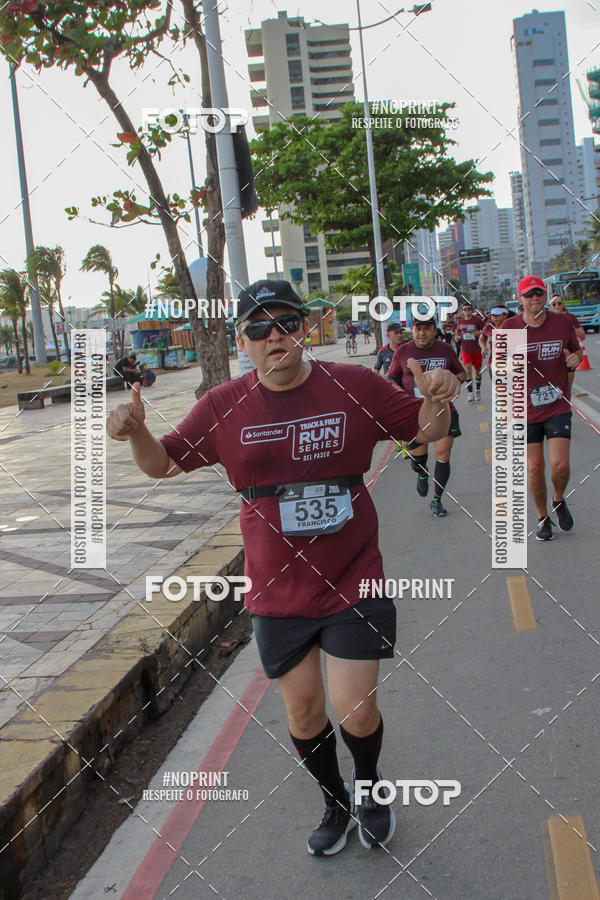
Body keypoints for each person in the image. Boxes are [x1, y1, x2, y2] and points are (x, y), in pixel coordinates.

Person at [107, 279, 460, 856]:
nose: (275, 336)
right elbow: (161, 465)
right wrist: (137, 431)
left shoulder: (354, 385)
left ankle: (369, 788)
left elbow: (425, 430)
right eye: (258, 327)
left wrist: (438, 399)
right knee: (302, 711)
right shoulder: (224, 405)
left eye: (287, 323)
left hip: (354, 575)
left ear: (306, 329)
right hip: (276, 590)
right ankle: (335, 800)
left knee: (357, 706)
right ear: (241, 342)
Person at [502, 276, 582, 542]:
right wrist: (511, 365)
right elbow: (498, 371)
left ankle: (558, 499)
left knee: (559, 465)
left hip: (557, 403)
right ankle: (542, 517)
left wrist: (575, 358)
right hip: (524, 409)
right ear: (520, 299)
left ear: (545, 296)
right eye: (528, 295)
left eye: (539, 294)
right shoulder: (510, 327)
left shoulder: (561, 322)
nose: (534, 299)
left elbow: (576, 351)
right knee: (534, 468)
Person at [387, 318, 466, 516]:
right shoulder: (403, 352)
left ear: (434, 330)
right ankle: (422, 473)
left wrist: (452, 382)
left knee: (442, 456)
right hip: (416, 414)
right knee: (418, 459)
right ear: (413, 331)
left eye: (426, 329)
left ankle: (437, 500)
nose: (421, 333)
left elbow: (462, 373)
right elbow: (390, 377)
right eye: (417, 329)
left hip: (443, 411)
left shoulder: (446, 349)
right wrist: (401, 396)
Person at [549, 295, 585, 392]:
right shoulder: (547, 319)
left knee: (567, 388)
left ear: (563, 304)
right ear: (550, 306)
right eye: (554, 304)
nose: (557, 306)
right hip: (552, 357)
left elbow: (582, 335)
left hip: (568, 356)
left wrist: (570, 327)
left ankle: (565, 403)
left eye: (559, 303)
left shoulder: (570, 317)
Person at [453, 302, 485, 402]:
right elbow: (457, 331)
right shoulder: (460, 321)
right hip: (465, 349)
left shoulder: (477, 320)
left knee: (477, 372)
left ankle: (477, 391)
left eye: (469, 309)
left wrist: (478, 333)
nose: (467, 311)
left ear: (472, 310)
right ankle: (470, 394)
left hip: (476, 349)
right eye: (465, 309)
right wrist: (456, 337)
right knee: (467, 370)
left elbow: (484, 330)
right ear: (462, 311)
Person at [479, 306, 512, 380]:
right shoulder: (488, 327)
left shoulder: (513, 327)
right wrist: (483, 347)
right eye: (493, 315)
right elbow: (482, 338)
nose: (494, 318)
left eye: (497, 316)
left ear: (505, 315)